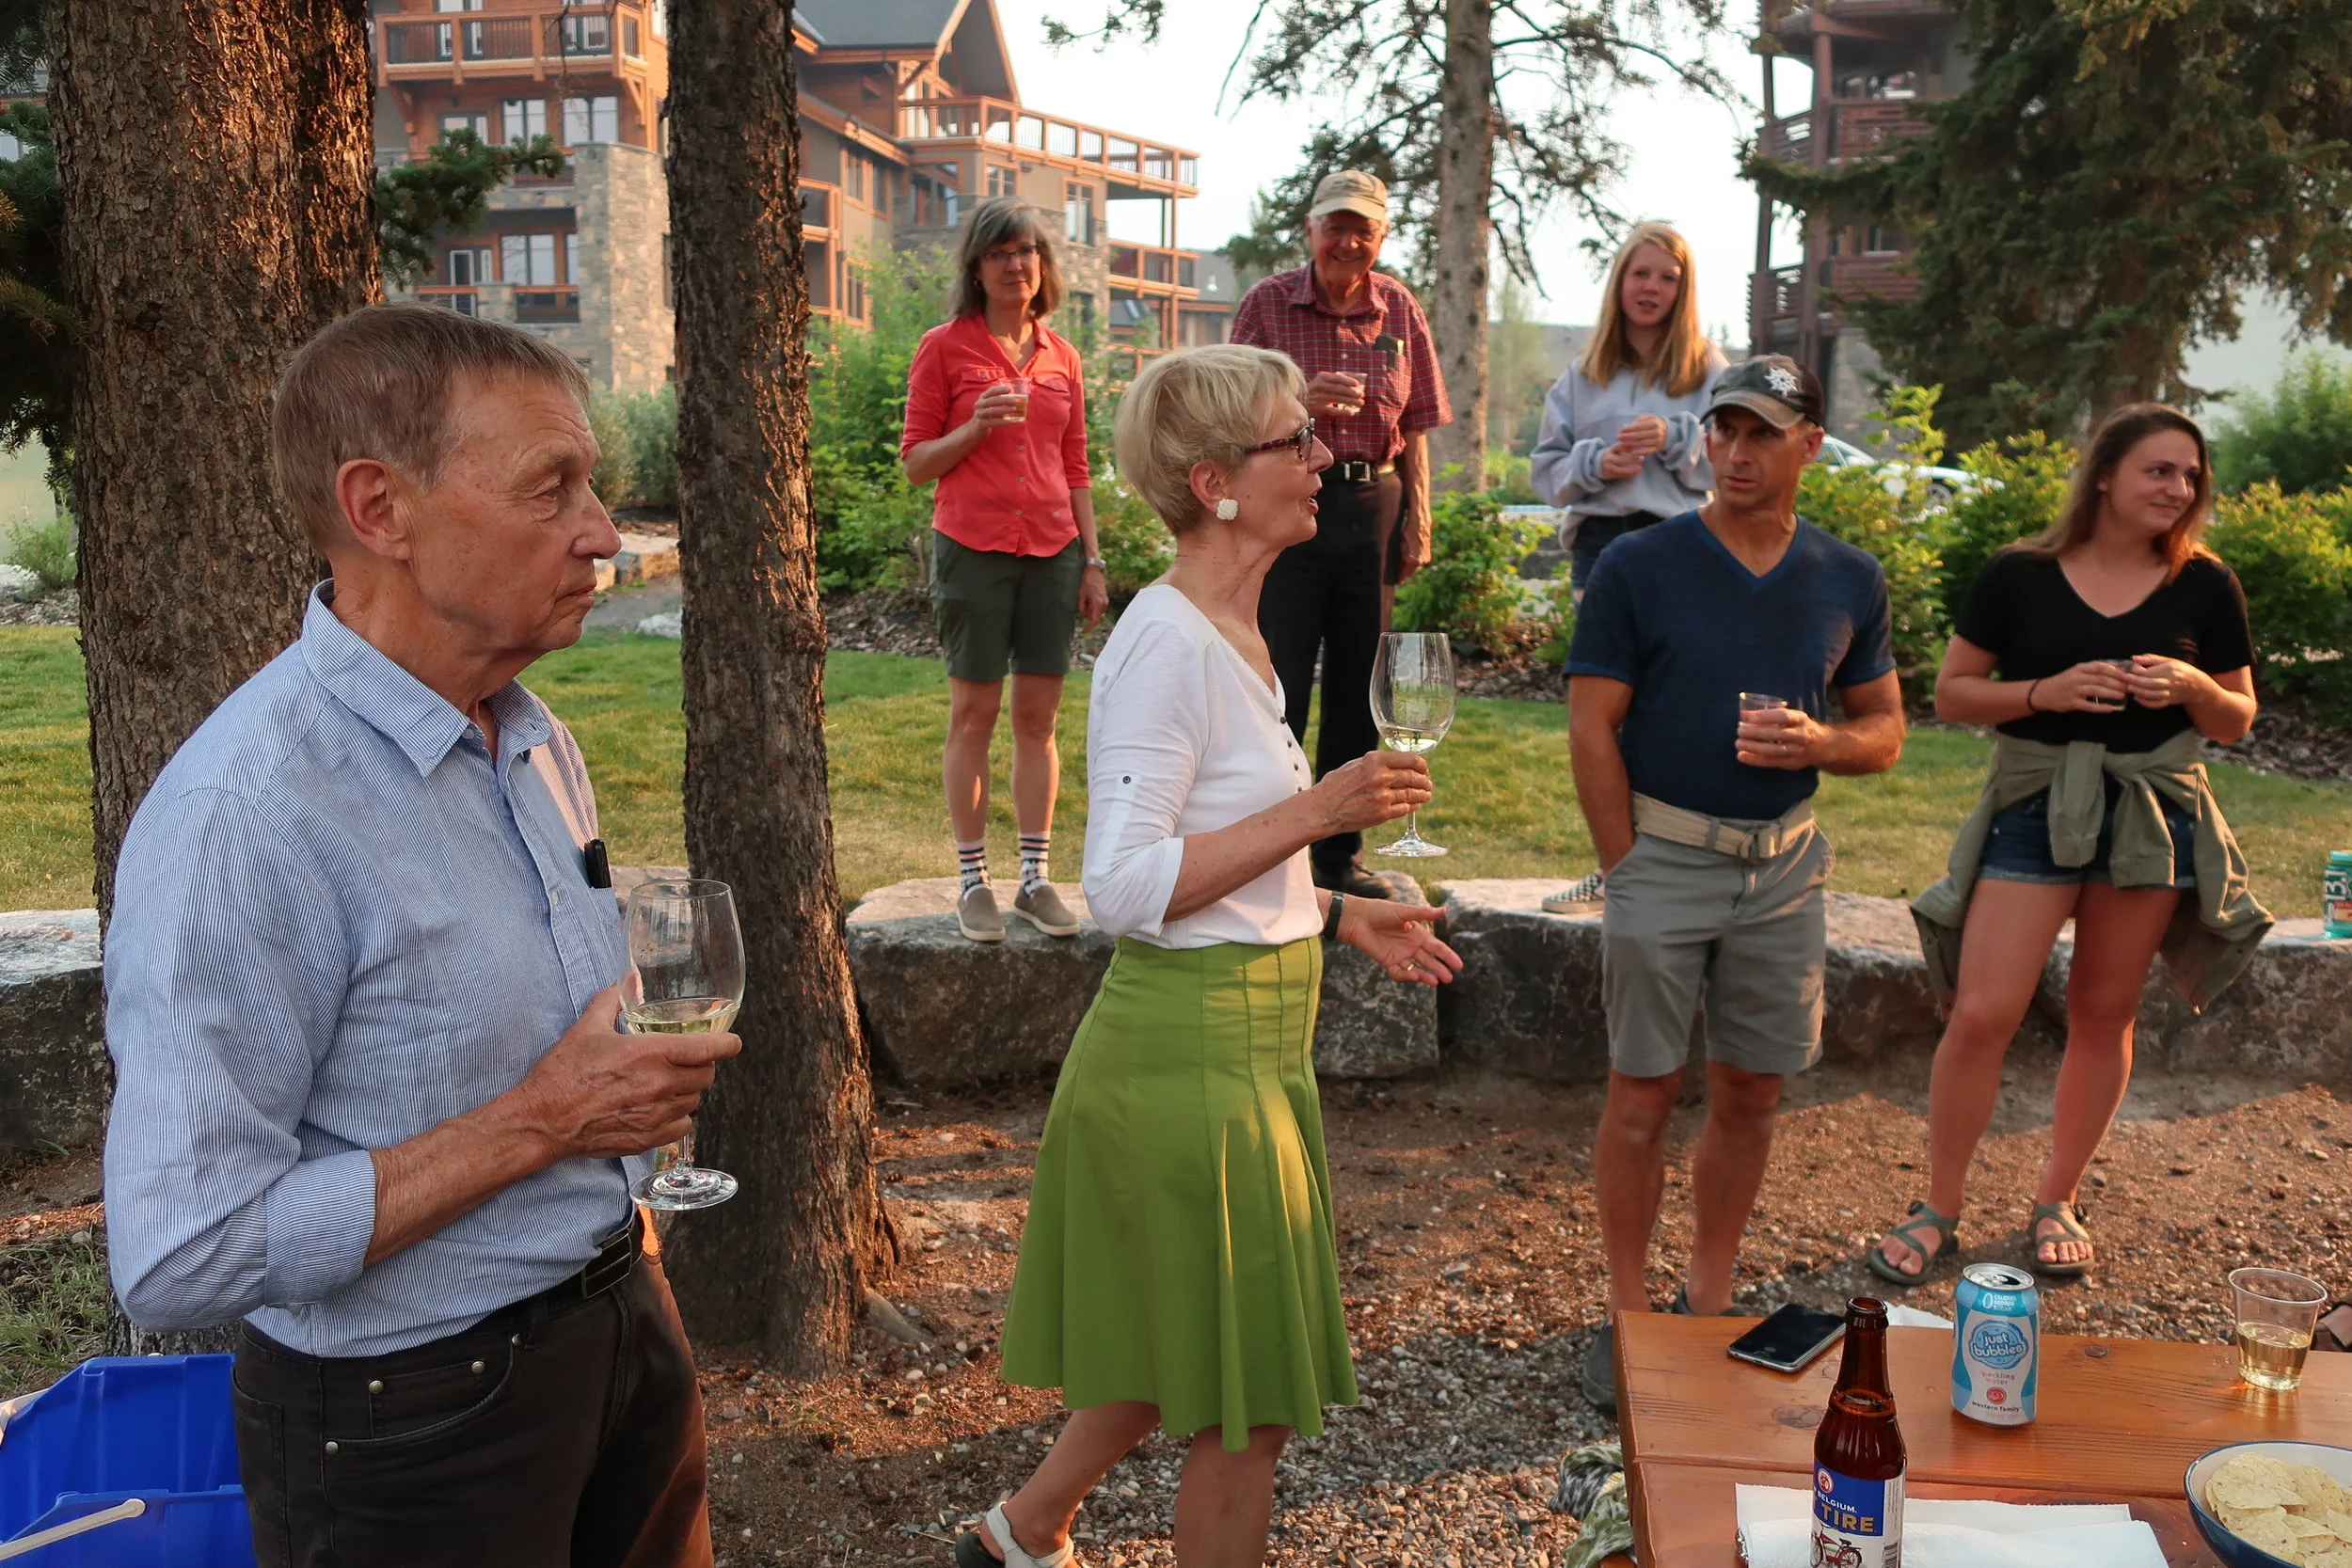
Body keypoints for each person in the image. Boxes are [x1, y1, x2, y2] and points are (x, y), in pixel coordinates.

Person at [103, 304, 732, 1566]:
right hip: (410, 1422)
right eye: (549, 489)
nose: (603, 532)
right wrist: (545, 1119)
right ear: (380, 508)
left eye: (592, 485)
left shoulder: (529, 732)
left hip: (617, 1331)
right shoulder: (249, 813)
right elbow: (178, 1251)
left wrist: (624, 1231)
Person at [953, 344, 1463, 1568]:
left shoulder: (1230, 629)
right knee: (1251, 1404)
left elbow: (1212, 854)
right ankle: (1022, 1529)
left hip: (1244, 1053)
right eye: (1298, 441)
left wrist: (1340, 915)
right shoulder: (1167, 642)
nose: (1330, 457)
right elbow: (1124, 888)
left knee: (1179, 1342)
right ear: (1215, 478)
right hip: (1188, 1061)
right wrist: (1321, 812)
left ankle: (1019, 1533)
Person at [1565, 355, 1907, 1415]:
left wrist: (1821, 740)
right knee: (1642, 1089)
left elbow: (1887, 731)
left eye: (1763, 432)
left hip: (1784, 865)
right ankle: (1628, 1316)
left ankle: (1706, 1293)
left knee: (1754, 1088)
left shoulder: (1846, 576)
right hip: (1662, 855)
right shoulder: (1640, 565)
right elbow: (1590, 724)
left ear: (1810, 443)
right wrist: (1626, 863)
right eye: (1723, 431)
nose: (1737, 451)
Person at [1871, 404, 2272, 1288]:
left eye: (2191, 475)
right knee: (1982, 1013)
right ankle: (1939, 1204)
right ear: (2104, 476)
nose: (2180, 488)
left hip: (2151, 816)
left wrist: (2196, 682)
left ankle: (2058, 1197)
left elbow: (2237, 719)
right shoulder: (2020, 573)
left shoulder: (2206, 584)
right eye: (2159, 471)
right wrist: (2045, 690)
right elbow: (1955, 694)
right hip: (2035, 805)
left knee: (2104, 1014)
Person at [1229, 168, 1453, 900]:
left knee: (1363, 692)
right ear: (1310, 229)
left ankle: (1338, 857)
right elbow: (1227, 411)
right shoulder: (1267, 303)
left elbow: (1417, 423)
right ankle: (1272, 847)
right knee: (1280, 684)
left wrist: (1419, 515)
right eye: (1336, 226)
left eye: (1363, 229)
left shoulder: (1399, 308)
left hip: (1373, 504)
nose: (1348, 241)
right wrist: (1298, 397)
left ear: (1381, 238)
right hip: (1289, 503)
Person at [903, 197, 1109, 943]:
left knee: (1038, 720)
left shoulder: (1063, 357)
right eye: (1000, 253)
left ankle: (1032, 878)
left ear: (1042, 265)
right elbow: (915, 462)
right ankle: (972, 882)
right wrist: (974, 427)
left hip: (1053, 552)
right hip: (973, 549)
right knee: (973, 714)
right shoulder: (945, 347)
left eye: (1027, 251)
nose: (1016, 264)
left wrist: (1092, 559)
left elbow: (1077, 465)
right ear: (977, 267)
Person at [1530, 222, 1726, 912]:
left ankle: (1674, 868)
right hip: (1603, 547)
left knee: (1674, 704)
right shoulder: (1582, 376)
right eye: (1640, 274)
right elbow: (1546, 472)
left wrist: (1676, 437)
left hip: (1682, 546)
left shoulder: (1708, 374)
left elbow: (1730, 460)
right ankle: (1615, 867)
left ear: (1683, 289)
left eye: (1666, 277)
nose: (1651, 288)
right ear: (1620, 282)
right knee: (1604, 714)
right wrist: (1596, 463)